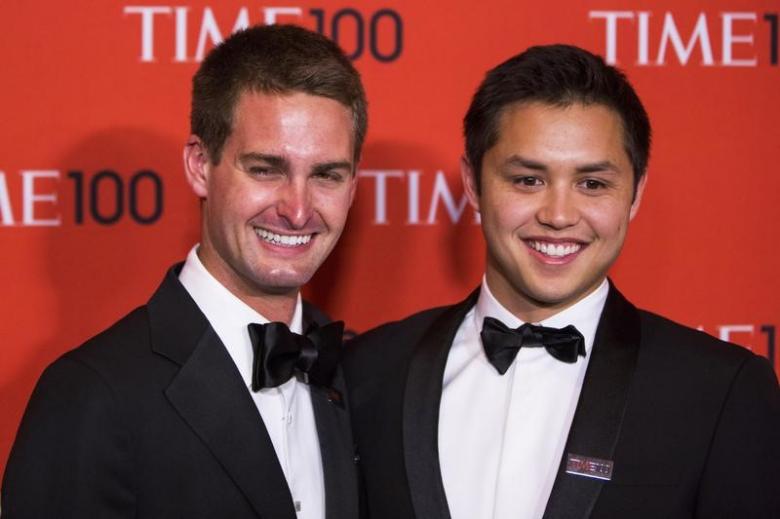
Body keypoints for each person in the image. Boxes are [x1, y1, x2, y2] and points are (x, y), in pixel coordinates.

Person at [344, 44, 780, 519]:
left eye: (592, 184)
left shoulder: (718, 392)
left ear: (635, 193)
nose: (558, 215)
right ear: (473, 184)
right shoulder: (370, 371)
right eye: (528, 180)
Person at [2, 24, 366, 519]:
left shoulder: (360, 371)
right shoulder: (93, 394)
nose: (298, 210)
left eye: (326, 174)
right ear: (199, 165)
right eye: (265, 169)